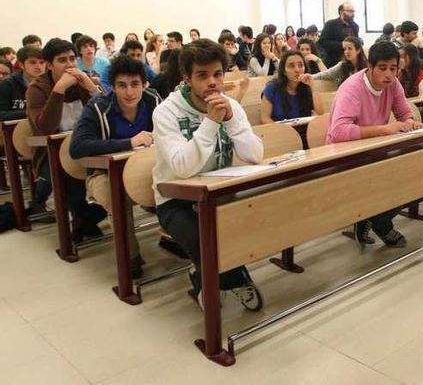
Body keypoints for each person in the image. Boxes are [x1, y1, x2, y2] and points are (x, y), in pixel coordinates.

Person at [152, 39, 263, 309]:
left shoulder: (231, 107)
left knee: (247, 228)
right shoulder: (166, 112)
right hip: (174, 198)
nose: (212, 82)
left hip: (217, 190)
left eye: (217, 74)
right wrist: (211, 123)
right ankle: (230, 281)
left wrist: (231, 121)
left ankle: (202, 275)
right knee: (208, 244)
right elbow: (181, 167)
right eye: (202, 76)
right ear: (187, 78)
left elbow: (254, 154)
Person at [69, 56, 162, 278]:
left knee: (177, 184)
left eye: (135, 84)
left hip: (145, 169)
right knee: (117, 196)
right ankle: (130, 256)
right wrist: (129, 142)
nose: (129, 92)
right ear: (112, 86)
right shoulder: (98, 106)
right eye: (122, 85)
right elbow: (77, 147)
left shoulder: (154, 101)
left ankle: (173, 238)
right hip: (104, 174)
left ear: (144, 84)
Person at [326, 40, 422, 247]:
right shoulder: (351, 88)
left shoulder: (393, 84)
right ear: (370, 67)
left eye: (393, 69)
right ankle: (380, 223)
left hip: (374, 150)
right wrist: (385, 129)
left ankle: (376, 218)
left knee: (422, 171)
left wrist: (410, 122)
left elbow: (404, 113)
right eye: (383, 68)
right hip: (343, 155)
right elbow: (339, 131)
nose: (389, 74)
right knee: (398, 176)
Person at [27, 38, 107, 239]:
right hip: (51, 152)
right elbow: (45, 127)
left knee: (115, 178)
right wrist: (58, 90)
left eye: (72, 59)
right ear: (49, 64)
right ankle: (82, 218)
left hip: (87, 145)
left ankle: (84, 218)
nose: (70, 65)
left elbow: (107, 114)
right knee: (68, 169)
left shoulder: (81, 82)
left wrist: (91, 88)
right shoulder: (37, 89)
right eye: (62, 60)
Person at [260, 51, 323, 123]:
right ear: (284, 71)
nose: (297, 70)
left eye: (300, 65)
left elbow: (320, 113)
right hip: (280, 131)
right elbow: (265, 118)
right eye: (291, 66)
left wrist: (313, 86)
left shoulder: (307, 87)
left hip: (304, 130)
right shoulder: (272, 88)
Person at [0, 46, 45, 121]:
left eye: (42, 62)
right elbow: (1, 114)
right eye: (33, 62)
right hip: (13, 130)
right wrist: (30, 113)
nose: (39, 67)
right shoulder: (7, 84)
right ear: (21, 65)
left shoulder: (49, 84)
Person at [302, 36, 367, 86]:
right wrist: (311, 77)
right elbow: (327, 74)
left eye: (350, 48)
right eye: (344, 49)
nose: (346, 52)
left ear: (358, 50)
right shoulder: (342, 65)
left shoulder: (367, 67)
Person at [318, 3, 359, 68]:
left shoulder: (355, 26)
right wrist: (342, 45)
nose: (352, 14)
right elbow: (322, 42)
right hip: (334, 62)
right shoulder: (330, 24)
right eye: (349, 11)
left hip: (351, 63)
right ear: (341, 12)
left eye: (353, 11)